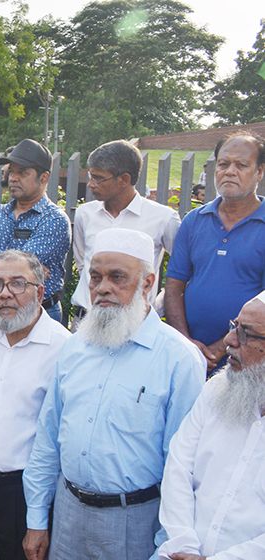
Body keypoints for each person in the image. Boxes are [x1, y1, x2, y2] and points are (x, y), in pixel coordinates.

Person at [22, 228, 205, 560]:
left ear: (147, 283)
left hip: (134, 521)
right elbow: (48, 438)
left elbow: (182, 468)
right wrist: (36, 519)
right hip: (68, 513)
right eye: (95, 277)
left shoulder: (179, 359)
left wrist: (169, 543)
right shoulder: (74, 347)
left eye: (117, 277)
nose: (103, 287)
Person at [0, 250, 71, 560]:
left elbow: (60, 438)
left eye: (18, 284)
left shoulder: (63, 348)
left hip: (23, 494)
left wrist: (39, 516)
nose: (4, 293)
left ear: (40, 292)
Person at [156, 291, 265, 559]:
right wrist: (183, 545)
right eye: (235, 326)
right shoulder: (217, 389)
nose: (229, 340)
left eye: (246, 334)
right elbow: (179, 466)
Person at [165, 133, 265, 374]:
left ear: (260, 172)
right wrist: (184, 341)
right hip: (188, 356)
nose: (230, 171)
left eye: (241, 165)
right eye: (223, 164)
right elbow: (174, 286)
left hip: (247, 361)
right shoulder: (194, 221)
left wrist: (221, 348)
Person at [71, 140, 180, 323]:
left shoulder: (163, 218)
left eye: (98, 178)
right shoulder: (85, 214)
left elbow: (183, 271)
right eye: (91, 176)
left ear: (124, 180)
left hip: (134, 324)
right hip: (86, 320)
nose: (90, 184)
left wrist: (157, 305)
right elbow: (83, 264)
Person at [0, 139, 70, 322]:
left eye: (22, 172)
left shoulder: (54, 219)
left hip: (37, 314)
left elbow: (21, 268)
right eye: (12, 171)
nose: (13, 178)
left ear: (44, 177)